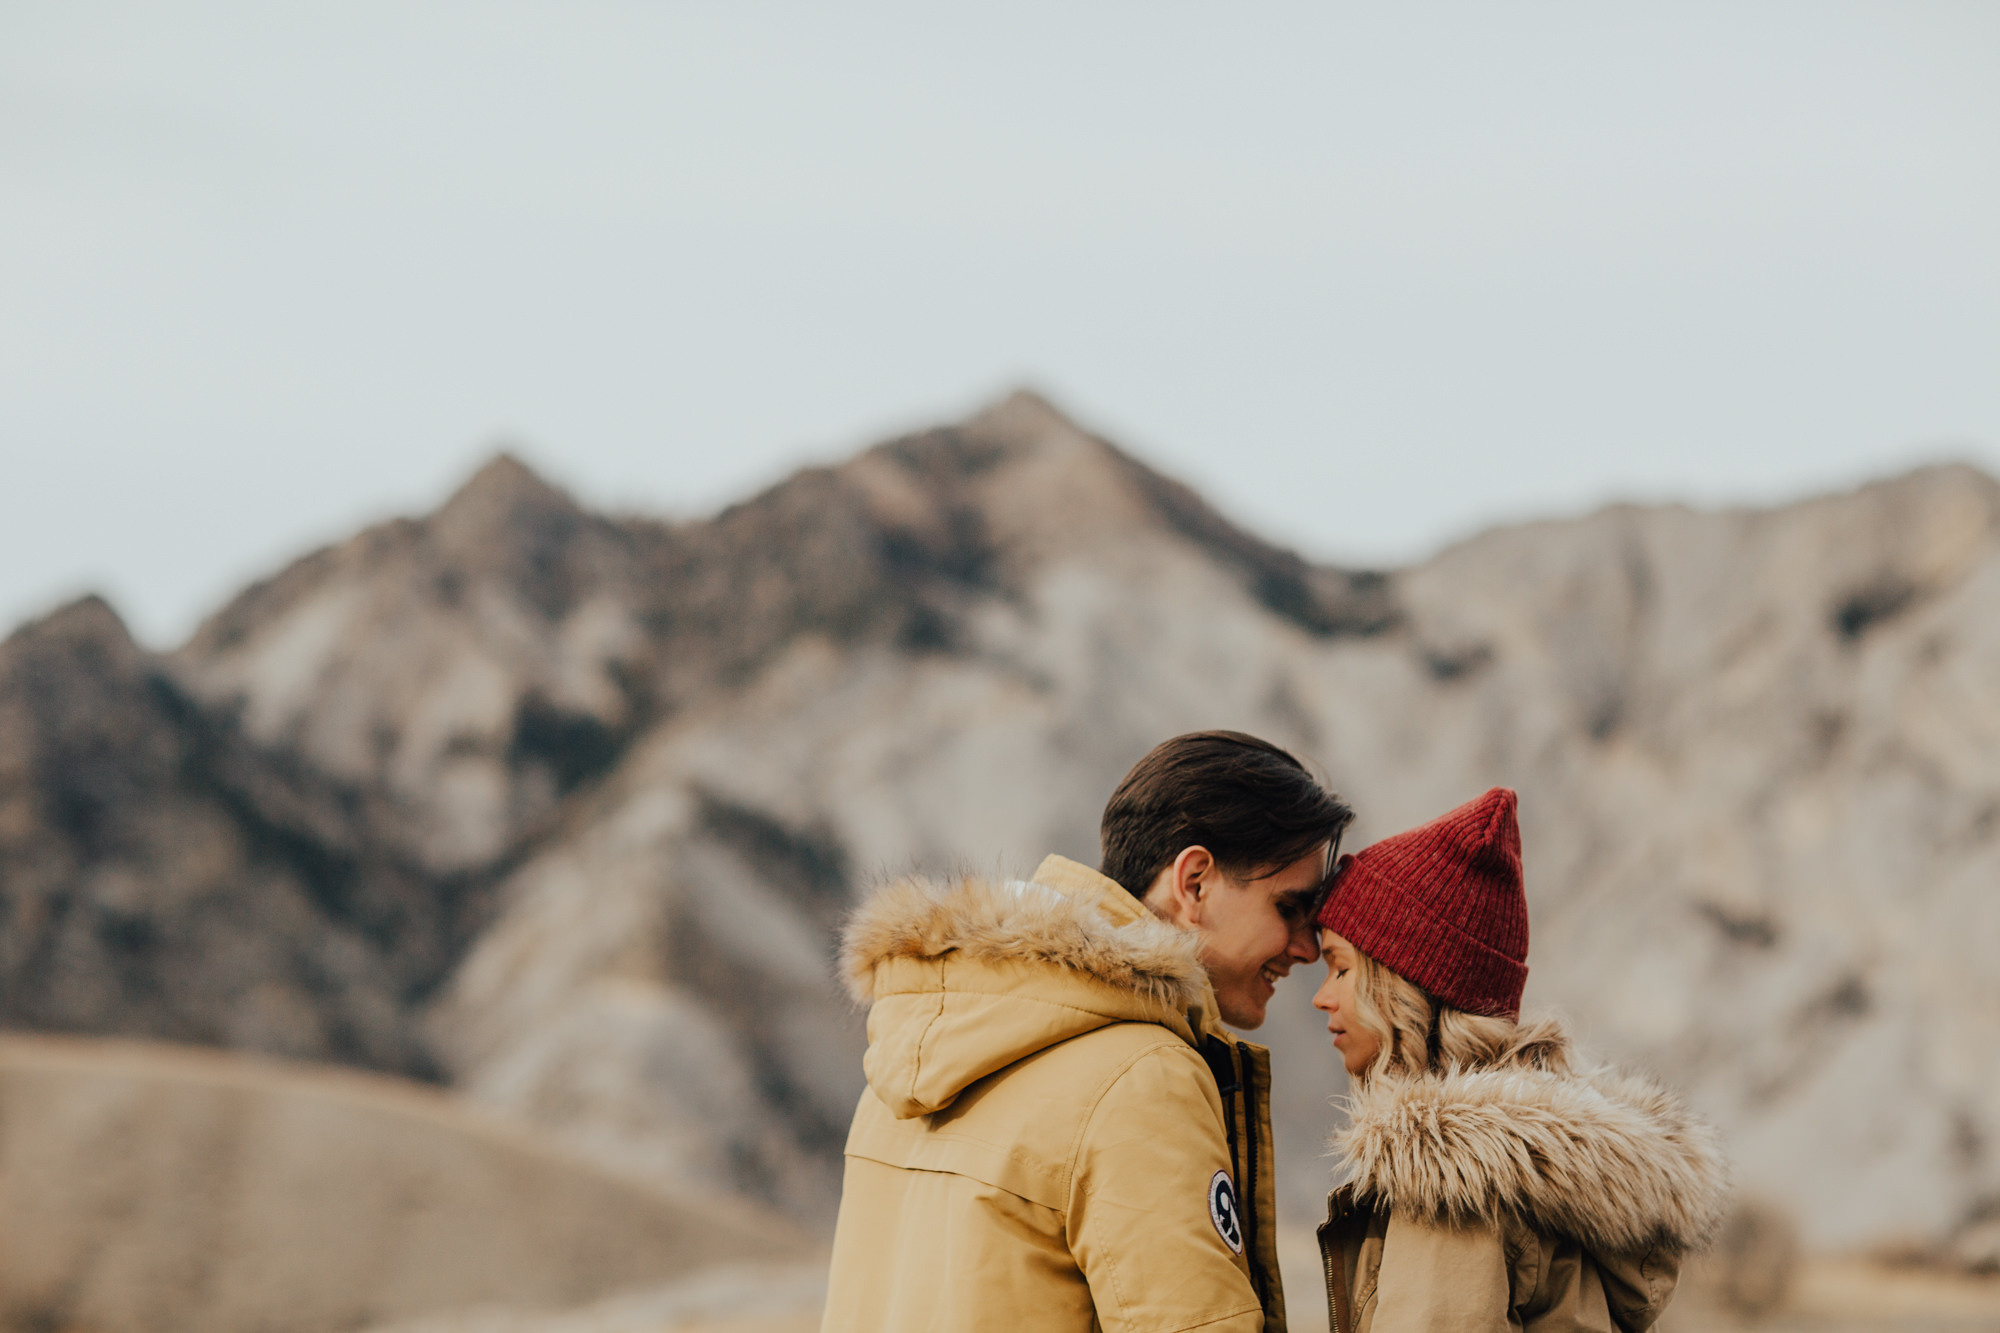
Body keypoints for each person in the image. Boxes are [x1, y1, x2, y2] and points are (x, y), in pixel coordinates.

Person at [822, 731, 1353, 1333]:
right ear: (1195, 882)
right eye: (1289, 908)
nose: (1308, 948)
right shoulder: (1143, 1077)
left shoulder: (912, 1049)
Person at [1309, 787, 1727, 1333]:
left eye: (1340, 968)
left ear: (1405, 988)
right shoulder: (1537, 1168)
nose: (1322, 996)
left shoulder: (1451, 1181)